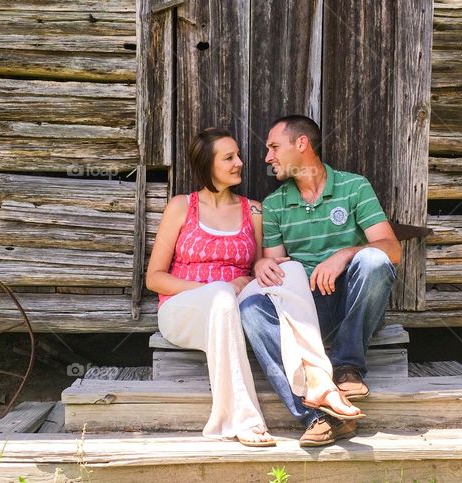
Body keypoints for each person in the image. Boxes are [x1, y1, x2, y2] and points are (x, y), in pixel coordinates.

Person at [146, 127, 361, 448]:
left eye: (238, 156)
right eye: (229, 157)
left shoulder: (255, 210)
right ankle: (242, 419)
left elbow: (263, 266)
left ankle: (318, 378)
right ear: (207, 164)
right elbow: (155, 277)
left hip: (234, 303)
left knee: (288, 270)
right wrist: (216, 287)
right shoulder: (181, 207)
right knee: (219, 296)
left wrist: (260, 267)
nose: (240, 163)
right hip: (183, 307)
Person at [240, 115, 402, 444]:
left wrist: (344, 255)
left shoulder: (354, 187)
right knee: (252, 310)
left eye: (274, 147)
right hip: (306, 310)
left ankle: (347, 367)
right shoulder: (275, 205)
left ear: (302, 144)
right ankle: (318, 415)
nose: (267, 157)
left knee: (373, 260)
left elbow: (392, 249)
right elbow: (277, 269)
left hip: (353, 304)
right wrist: (261, 266)